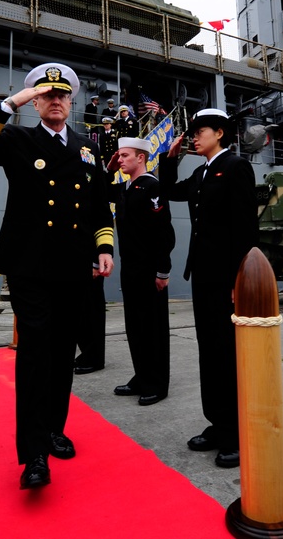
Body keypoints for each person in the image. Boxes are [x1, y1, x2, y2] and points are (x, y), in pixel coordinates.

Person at [0, 62, 115, 490]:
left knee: (63, 351)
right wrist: (12, 103)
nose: (56, 101)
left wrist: (104, 247)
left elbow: (100, 206)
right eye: (47, 95)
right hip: (30, 264)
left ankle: (53, 428)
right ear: (35, 101)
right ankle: (33, 454)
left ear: (71, 100)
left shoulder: (87, 148)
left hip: (74, 266)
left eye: (62, 95)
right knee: (34, 355)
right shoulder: (16, 138)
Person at [161, 108, 257, 469]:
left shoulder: (235, 167)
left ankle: (236, 434)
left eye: (199, 131)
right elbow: (170, 190)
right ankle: (218, 424)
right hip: (202, 276)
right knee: (209, 353)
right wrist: (168, 161)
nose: (193, 138)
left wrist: (240, 277)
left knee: (228, 355)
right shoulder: (202, 172)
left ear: (219, 132)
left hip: (226, 280)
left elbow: (246, 227)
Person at [109, 137, 175, 406]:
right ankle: (142, 375)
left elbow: (164, 231)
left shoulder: (152, 187)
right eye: (119, 156)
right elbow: (100, 190)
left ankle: (157, 384)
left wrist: (162, 270)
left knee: (153, 328)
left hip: (149, 270)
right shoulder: (127, 187)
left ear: (141, 158)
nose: (120, 159)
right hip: (131, 269)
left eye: (125, 156)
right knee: (135, 326)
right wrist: (109, 167)